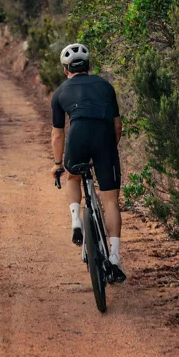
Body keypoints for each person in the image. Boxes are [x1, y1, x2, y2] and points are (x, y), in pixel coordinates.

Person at [50, 43, 126, 282]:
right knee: (110, 200)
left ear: (66, 70)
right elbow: (117, 126)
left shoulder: (60, 92)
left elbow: (57, 134)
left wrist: (57, 164)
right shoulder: (105, 86)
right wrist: (109, 150)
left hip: (78, 136)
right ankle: (114, 256)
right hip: (104, 138)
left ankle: (76, 220)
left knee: (72, 176)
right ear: (89, 66)